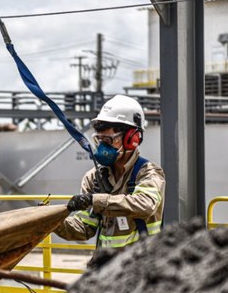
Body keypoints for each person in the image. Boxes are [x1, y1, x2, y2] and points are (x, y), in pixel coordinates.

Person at [55, 95, 165, 250]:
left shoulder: (149, 173)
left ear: (131, 138)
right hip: (106, 268)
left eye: (108, 140)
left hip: (141, 266)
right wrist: (52, 222)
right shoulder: (94, 178)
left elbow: (145, 205)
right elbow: (85, 227)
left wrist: (95, 201)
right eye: (99, 140)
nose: (101, 147)